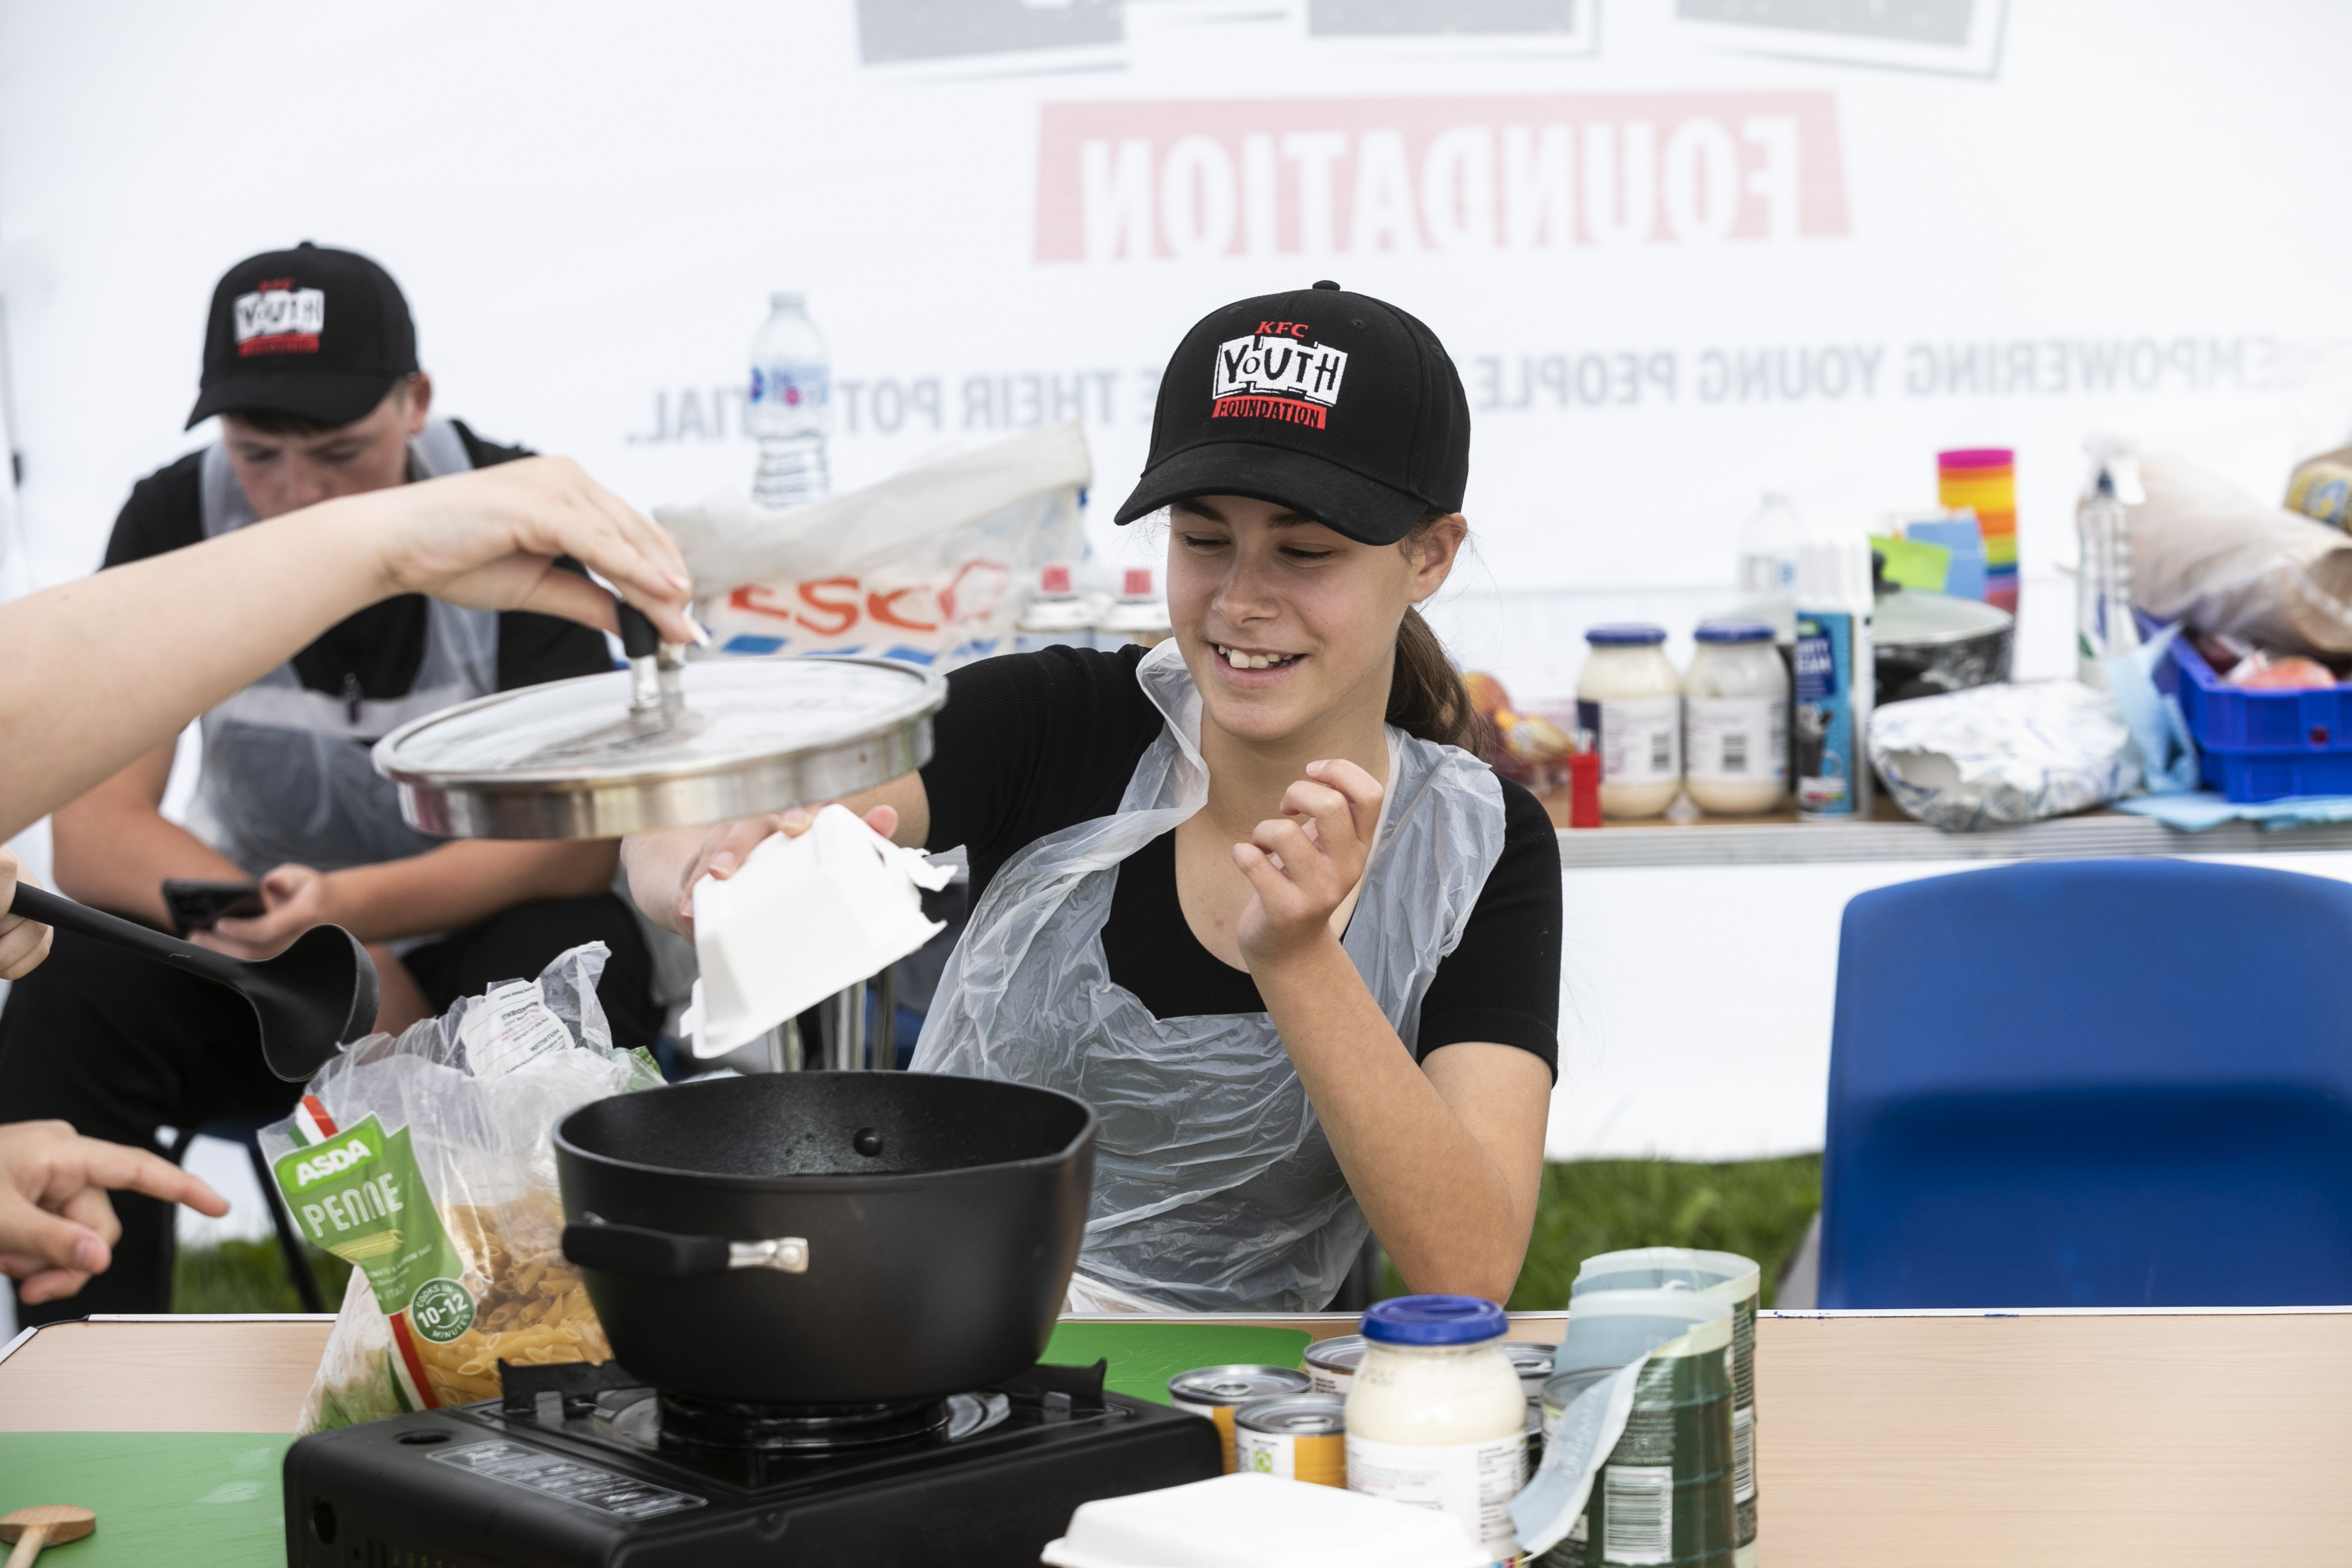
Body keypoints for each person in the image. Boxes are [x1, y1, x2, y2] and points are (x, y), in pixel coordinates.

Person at [628, 283, 1560, 1312]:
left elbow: (1467, 1271)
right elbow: (694, 804)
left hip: (1253, 1418)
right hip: (950, 1344)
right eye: (1203, 540)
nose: (1243, 599)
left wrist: (1299, 959)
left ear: (1428, 555)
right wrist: (710, 862)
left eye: (1305, 552)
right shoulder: (1056, 721)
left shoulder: (1479, 850)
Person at [0, 434, 698, 1319]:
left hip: (473, 934)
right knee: (76, 981)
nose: (299, 488)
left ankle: (561, 1336)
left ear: (415, 402)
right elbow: (97, 837)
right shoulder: (173, 514)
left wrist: (358, 912)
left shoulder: (506, 503)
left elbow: (575, 842)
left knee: (562, 959)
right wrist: (319, 941)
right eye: (260, 454)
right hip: (274, 956)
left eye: (340, 451)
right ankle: (80, 1382)